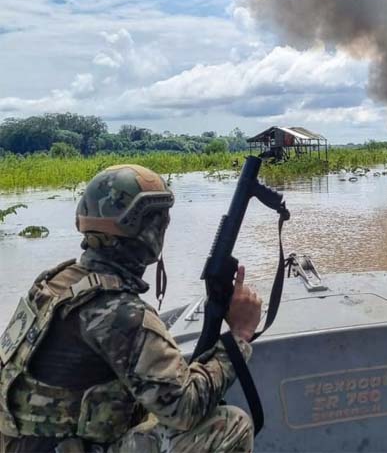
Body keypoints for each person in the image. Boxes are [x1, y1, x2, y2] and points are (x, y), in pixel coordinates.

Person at [0, 165, 263, 453]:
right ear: (146, 231)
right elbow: (185, 408)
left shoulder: (53, 283)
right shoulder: (120, 312)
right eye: (160, 223)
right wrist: (239, 335)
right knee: (230, 424)